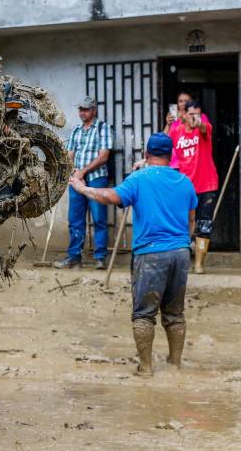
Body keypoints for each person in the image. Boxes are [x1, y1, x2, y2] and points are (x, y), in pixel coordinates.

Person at [70, 133, 196, 377]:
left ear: (147, 155)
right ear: (171, 156)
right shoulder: (185, 182)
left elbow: (112, 197)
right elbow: (191, 221)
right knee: (175, 313)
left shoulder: (139, 178)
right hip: (181, 253)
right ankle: (174, 365)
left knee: (144, 314)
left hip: (151, 254)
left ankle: (146, 368)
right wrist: (183, 243)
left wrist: (83, 188)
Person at [55, 96, 112, 270]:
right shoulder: (76, 130)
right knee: (75, 220)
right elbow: (69, 154)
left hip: (96, 179)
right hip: (77, 178)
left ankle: (100, 257)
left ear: (94, 110)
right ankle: (74, 257)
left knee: (99, 219)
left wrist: (83, 172)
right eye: (80, 109)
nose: (82, 112)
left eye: (86, 109)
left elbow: (104, 156)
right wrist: (73, 172)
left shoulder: (103, 128)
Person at [168, 99, 219, 274]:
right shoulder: (177, 130)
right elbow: (165, 147)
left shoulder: (205, 127)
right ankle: (181, 261)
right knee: (182, 223)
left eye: (197, 114)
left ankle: (199, 263)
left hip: (206, 183)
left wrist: (199, 122)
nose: (194, 118)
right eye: (191, 114)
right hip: (183, 184)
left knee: (204, 225)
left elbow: (204, 128)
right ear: (184, 114)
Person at [164, 91, 210, 170]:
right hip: (174, 164)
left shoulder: (200, 116)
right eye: (180, 101)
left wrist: (187, 118)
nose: (183, 103)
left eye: (186, 101)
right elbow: (164, 140)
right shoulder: (174, 119)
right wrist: (168, 124)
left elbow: (202, 128)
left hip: (194, 164)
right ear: (177, 104)